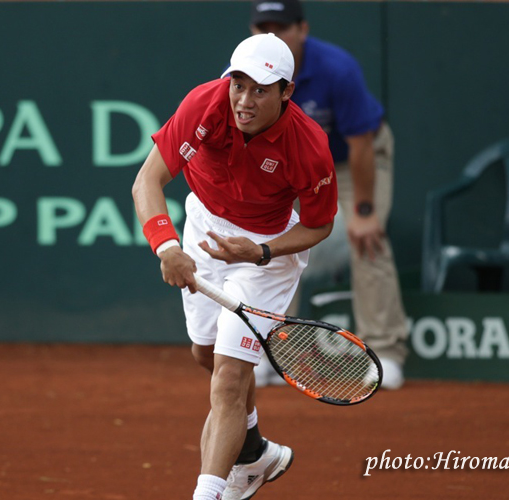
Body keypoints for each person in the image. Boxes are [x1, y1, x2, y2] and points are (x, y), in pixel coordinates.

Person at [132, 33, 337, 500]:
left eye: (260, 90)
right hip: (203, 227)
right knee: (206, 354)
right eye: (237, 85)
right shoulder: (205, 104)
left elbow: (319, 225)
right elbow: (147, 180)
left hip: (267, 251)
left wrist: (262, 252)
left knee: (228, 378)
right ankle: (254, 453)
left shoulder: (310, 146)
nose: (244, 100)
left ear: (287, 92)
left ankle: (211, 493)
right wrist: (167, 247)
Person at [249, 0, 409, 390]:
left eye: (282, 27)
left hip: (354, 159)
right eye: (262, 27)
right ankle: (271, 353)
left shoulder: (338, 69)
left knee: (365, 237)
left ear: (302, 29)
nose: (271, 36)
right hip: (293, 164)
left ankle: (386, 350)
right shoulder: (242, 74)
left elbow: (362, 144)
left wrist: (365, 211)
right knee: (277, 245)